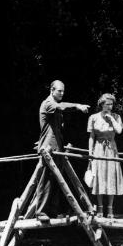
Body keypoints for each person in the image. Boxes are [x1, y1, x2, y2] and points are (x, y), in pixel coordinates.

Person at [27, 80, 90, 221]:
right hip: (49, 148)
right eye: (59, 91)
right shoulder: (48, 103)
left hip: (57, 146)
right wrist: (77, 106)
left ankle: (52, 210)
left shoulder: (54, 106)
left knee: (57, 178)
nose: (62, 93)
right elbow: (61, 107)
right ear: (52, 90)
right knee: (46, 178)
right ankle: (41, 212)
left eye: (63, 91)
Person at [87, 93, 123, 218]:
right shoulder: (93, 117)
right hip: (98, 149)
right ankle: (100, 208)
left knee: (111, 177)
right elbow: (92, 136)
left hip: (111, 150)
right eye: (107, 104)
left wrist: (111, 119)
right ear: (102, 104)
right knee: (99, 177)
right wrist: (90, 151)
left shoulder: (116, 116)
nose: (110, 106)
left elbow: (119, 131)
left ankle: (110, 209)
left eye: (111, 104)